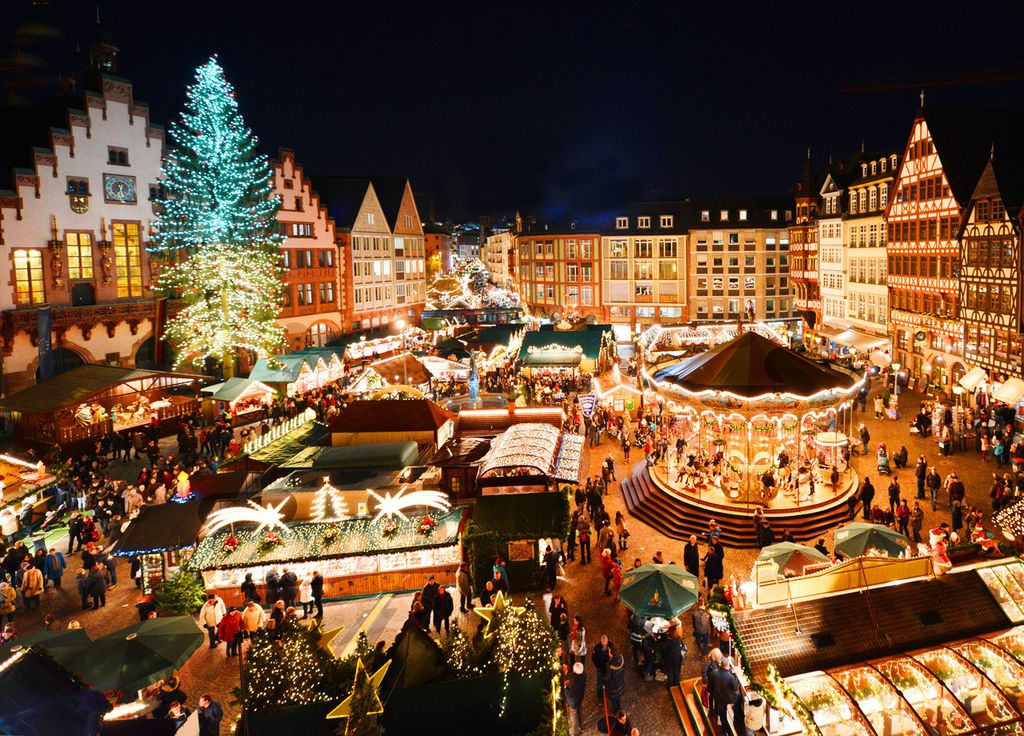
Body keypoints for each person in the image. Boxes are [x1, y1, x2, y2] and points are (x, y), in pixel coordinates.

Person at [566, 661, 586, 736]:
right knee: (580, 711)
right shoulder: (584, 675)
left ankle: (574, 733)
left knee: (573, 716)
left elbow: (570, 694)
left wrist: (566, 688)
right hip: (580, 698)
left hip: (573, 702)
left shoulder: (573, 679)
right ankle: (582, 726)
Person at [592, 634, 611, 705]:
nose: (604, 646)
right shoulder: (597, 648)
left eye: (605, 644)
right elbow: (593, 658)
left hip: (608, 669)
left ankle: (607, 694)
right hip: (600, 668)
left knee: (608, 682)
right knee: (599, 684)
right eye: (603, 644)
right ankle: (600, 698)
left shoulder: (610, 646)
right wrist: (597, 666)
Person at [605, 647, 626, 712]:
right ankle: (619, 708)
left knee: (614, 700)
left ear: (611, 654)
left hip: (613, 688)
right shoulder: (621, 659)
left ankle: (615, 711)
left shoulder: (610, 666)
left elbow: (608, 678)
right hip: (620, 684)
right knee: (618, 698)